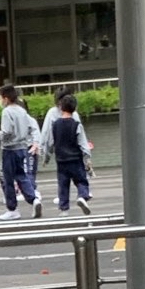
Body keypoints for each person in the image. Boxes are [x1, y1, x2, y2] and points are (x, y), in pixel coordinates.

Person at [43, 87, 94, 215]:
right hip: (75, 159)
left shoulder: (55, 124)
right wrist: (87, 158)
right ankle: (82, 196)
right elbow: (83, 143)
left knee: (63, 185)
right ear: (75, 108)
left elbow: (50, 142)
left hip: (61, 160)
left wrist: (46, 157)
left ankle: (64, 209)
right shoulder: (76, 124)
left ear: (60, 107)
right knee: (81, 181)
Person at [0, 84, 40, 221]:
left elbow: (7, 131)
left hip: (10, 149)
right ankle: (33, 199)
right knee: (21, 175)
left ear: (6, 98)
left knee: (8, 179)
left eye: (0, 97)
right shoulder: (22, 111)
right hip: (22, 148)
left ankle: (12, 209)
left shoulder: (7, 112)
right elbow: (30, 128)